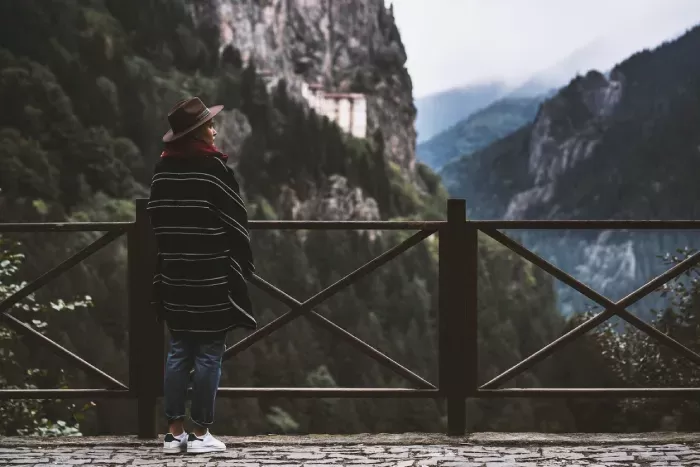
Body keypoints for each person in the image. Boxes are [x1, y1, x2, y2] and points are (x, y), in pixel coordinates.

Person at [147, 97, 257, 454]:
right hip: (210, 277)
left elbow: (156, 221)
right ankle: (199, 436)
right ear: (196, 134)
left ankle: (173, 432)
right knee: (209, 352)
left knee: (179, 350)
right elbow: (236, 223)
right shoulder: (213, 170)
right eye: (209, 125)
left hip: (174, 276)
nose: (214, 129)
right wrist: (240, 265)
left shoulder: (162, 171)